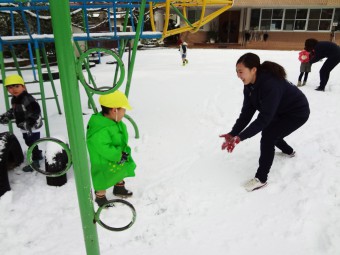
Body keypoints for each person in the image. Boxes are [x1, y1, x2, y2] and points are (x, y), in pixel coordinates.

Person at [220, 53, 310, 192]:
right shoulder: (249, 85)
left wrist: (240, 137)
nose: (238, 75)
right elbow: (246, 113)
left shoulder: (270, 84)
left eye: (241, 71)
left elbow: (264, 119)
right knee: (272, 132)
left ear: (253, 69)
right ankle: (289, 152)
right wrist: (233, 133)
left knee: (269, 135)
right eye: (237, 71)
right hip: (279, 110)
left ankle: (261, 179)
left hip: (297, 112)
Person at [86, 90, 136, 206]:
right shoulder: (100, 129)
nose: (124, 112)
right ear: (114, 110)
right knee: (101, 179)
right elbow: (103, 147)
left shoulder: (113, 120)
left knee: (119, 171)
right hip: (103, 161)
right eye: (124, 109)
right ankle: (100, 197)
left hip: (116, 155)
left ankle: (119, 188)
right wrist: (118, 155)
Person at [0, 74, 43, 172]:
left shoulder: (27, 98)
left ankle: (35, 161)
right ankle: (38, 155)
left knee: (32, 143)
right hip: (24, 126)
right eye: (10, 87)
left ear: (23, 86)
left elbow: (36, 110)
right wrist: (8, 115)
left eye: (17, 86)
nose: (14, 89)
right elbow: (16, 110)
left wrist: (30, 122)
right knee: (29, 142)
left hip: (32, 126)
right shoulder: (15, 99)